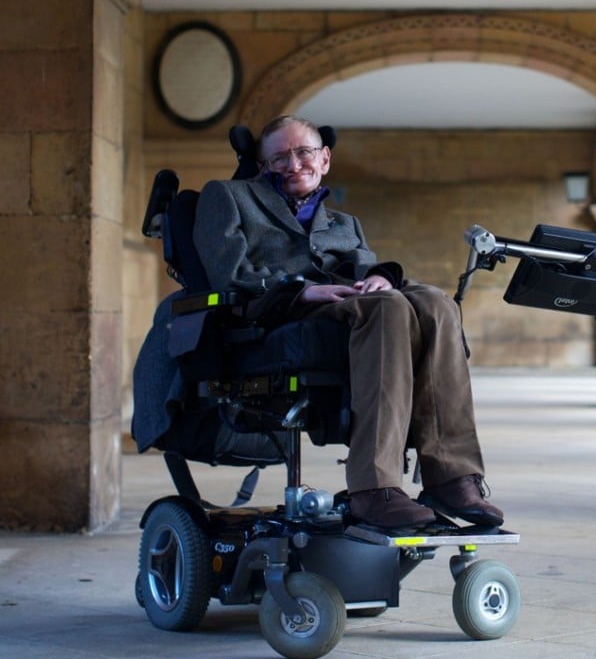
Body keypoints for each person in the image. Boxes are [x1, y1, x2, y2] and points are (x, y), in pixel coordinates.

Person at [192, 115, 503, 530]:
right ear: (262, 165)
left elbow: (365, 267)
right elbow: (228, 274)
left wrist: (379, 278)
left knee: (436, 303)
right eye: (279, 157)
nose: (294, 164)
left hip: (350, 303)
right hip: (280, 312)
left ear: (324, 159)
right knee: (388, 309)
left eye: (303, 153)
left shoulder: (344, 222)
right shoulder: (228, 197)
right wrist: (300, 291)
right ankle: (373, 490)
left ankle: (451, 476)